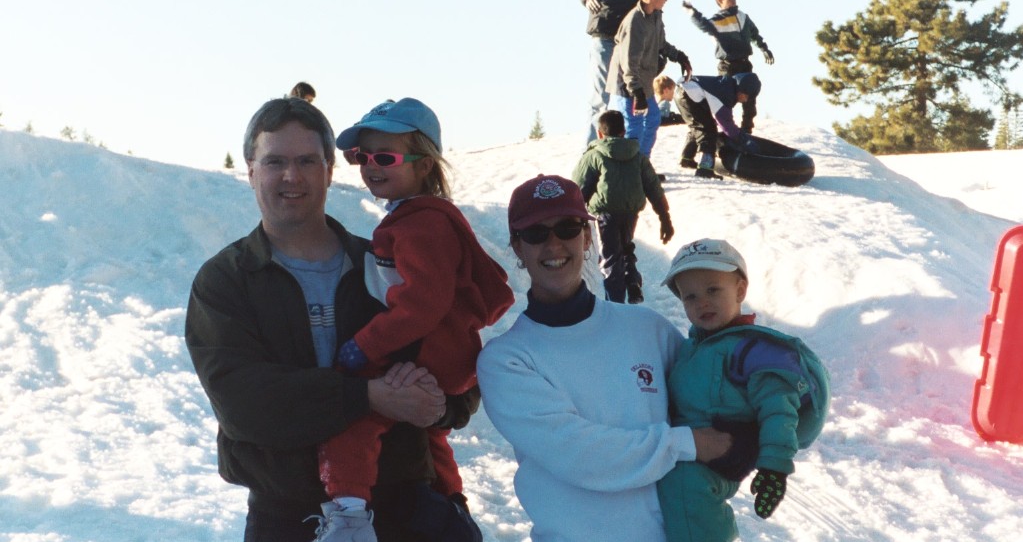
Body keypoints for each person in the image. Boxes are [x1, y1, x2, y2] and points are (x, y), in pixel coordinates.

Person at [185, 97, 482, 542]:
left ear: (329, 170)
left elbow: (456, 352)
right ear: (250, 170)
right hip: (284, 513)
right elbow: (244, 404)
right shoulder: (227, 281)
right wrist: (368, 396)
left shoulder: (386, 262)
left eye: (307, 160)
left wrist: (441, 403)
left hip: (402, 505)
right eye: (275, 162)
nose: (292, 176)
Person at [477, 174, 733, 542]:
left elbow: (711, 403)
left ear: (586, 237)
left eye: (567, 228)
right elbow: (582, 455)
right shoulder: (507, 361)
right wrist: (687, 443)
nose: (553, 245)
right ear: (517, 247)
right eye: (535, 233)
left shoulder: (649, 329)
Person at [310, 98, 514, 541]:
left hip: (425, 350)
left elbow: (421, 304)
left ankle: (348, 513)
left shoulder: (422, 227)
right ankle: (451, 499)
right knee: (428, 431)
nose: (370, 166)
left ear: (424, 165)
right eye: (361, 156)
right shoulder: (419, 219)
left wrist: (364, 346)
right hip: (444, 354)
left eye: (385, 157)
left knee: (356, 411)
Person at [657, 238, 830, 542]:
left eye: (713, 290)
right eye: (690, 297)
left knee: (686, 487)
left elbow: (779, 410)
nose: (702, 303)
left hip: (722, 449)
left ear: (739, 290)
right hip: (688, 443)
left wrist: (774, 468)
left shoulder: (753, 350)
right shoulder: (691, 348)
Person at [572, 109, 674, 304]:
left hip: (605, 213)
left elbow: (578, 188)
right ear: (623, 131)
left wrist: (575, 217)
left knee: (610, 256)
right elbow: (653, 187)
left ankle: (615, 305)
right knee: (626, 247)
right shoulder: (638, 156)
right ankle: (633, 281)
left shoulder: (594, 155)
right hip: (630, 211)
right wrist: (664, 218)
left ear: (600, 133)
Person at [606, 0, 691, 159]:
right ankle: (630, 170)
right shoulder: (634, 22)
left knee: (653, 119)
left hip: (642, 82)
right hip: (627, 84)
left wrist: (680, 57)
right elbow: (629, 61)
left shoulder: (655, 16)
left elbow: (661, 43)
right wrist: (636, 92)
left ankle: (642, 165)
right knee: (634, 126)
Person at [682, 0, 773, 134]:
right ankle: (728, 130)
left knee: (749, 99)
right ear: (720, 0)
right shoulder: (718, 21)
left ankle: (746, 130)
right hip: (728, 66)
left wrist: (764, 48)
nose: (734, 0)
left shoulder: (743, 17)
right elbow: (703, 24)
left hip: (744, 63)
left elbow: (754, 34)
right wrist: (692, 12)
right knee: (725, 99)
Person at [580, 0, 647, 148]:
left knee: (631, 96)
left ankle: (629, 153)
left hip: (628, 43)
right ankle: (592, 151)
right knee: (600, 98)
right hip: (605, 38)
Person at [674, 72, 761, 179]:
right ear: (741, 90)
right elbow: (727, 126)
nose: (746, 100)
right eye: (747, 96)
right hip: (687, 94)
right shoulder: (725, 93)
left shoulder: (727, 86)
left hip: (682, 91)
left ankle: (686, 158)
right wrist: (743, 139)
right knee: (708, 131)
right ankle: (705, 169)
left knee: (700, 125)